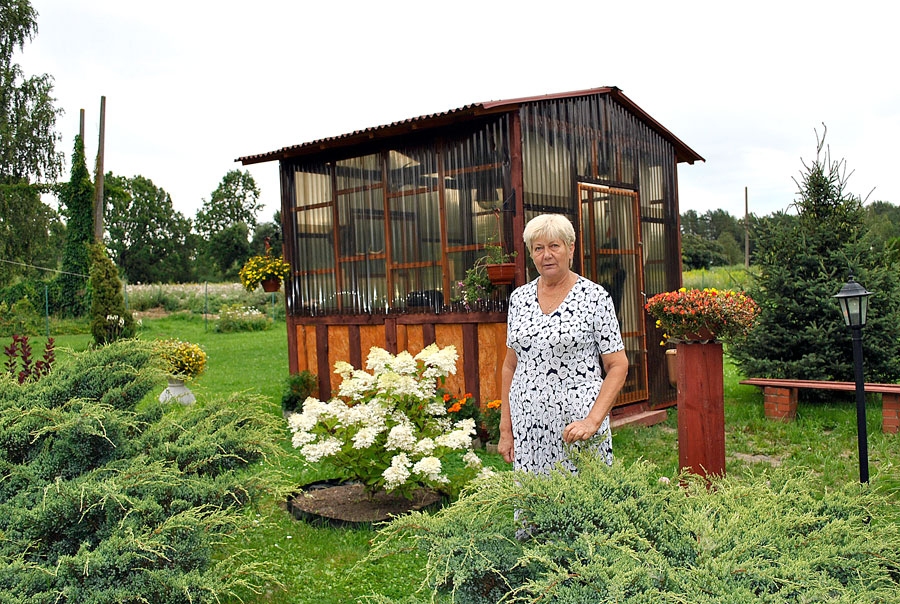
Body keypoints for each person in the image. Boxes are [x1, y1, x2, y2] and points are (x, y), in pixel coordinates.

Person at [498, 214, 628, 474]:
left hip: (577, 431)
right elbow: (510, 366)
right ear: (532, 254)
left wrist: (592, 421)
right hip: (529, 431)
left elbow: (618, 365)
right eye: (538, 248)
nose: (547, 255)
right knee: (534, 506)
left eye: (554, 246)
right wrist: (506, 428)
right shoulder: (519, 299)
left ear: (571, 248)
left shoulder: (594, 297)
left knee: (581, 505)